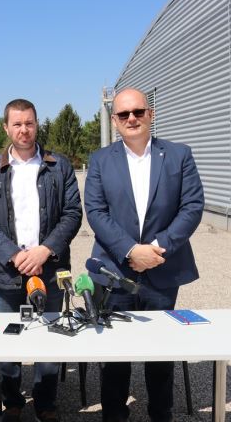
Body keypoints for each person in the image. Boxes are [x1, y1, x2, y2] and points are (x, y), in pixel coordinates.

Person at [84, 88, 204, 422]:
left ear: (151, 114)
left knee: (160, 352)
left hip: (162, 267)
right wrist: (130, 250)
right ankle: (114, 415)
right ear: (114, 120)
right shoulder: (100, 160)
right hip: (114, 271)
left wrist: (156, 248)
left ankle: (161, 414)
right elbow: (95, 211)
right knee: (114, 356)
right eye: (124, 114)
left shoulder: (179, 155)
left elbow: (192, 206)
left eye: (138, 111)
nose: (132, 118)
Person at [0, 98, 82, 422]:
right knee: (9, 338)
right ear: (6, 127)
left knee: (50, 337)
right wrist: (16, 255)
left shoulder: (58, 166)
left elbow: (72, 213)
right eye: (17, 124)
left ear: (37, 125)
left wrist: (45, 250)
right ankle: (12, 402)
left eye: (29, 123)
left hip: (49, 268)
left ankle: (45, 403)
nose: (24, 129)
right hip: (5, 271)